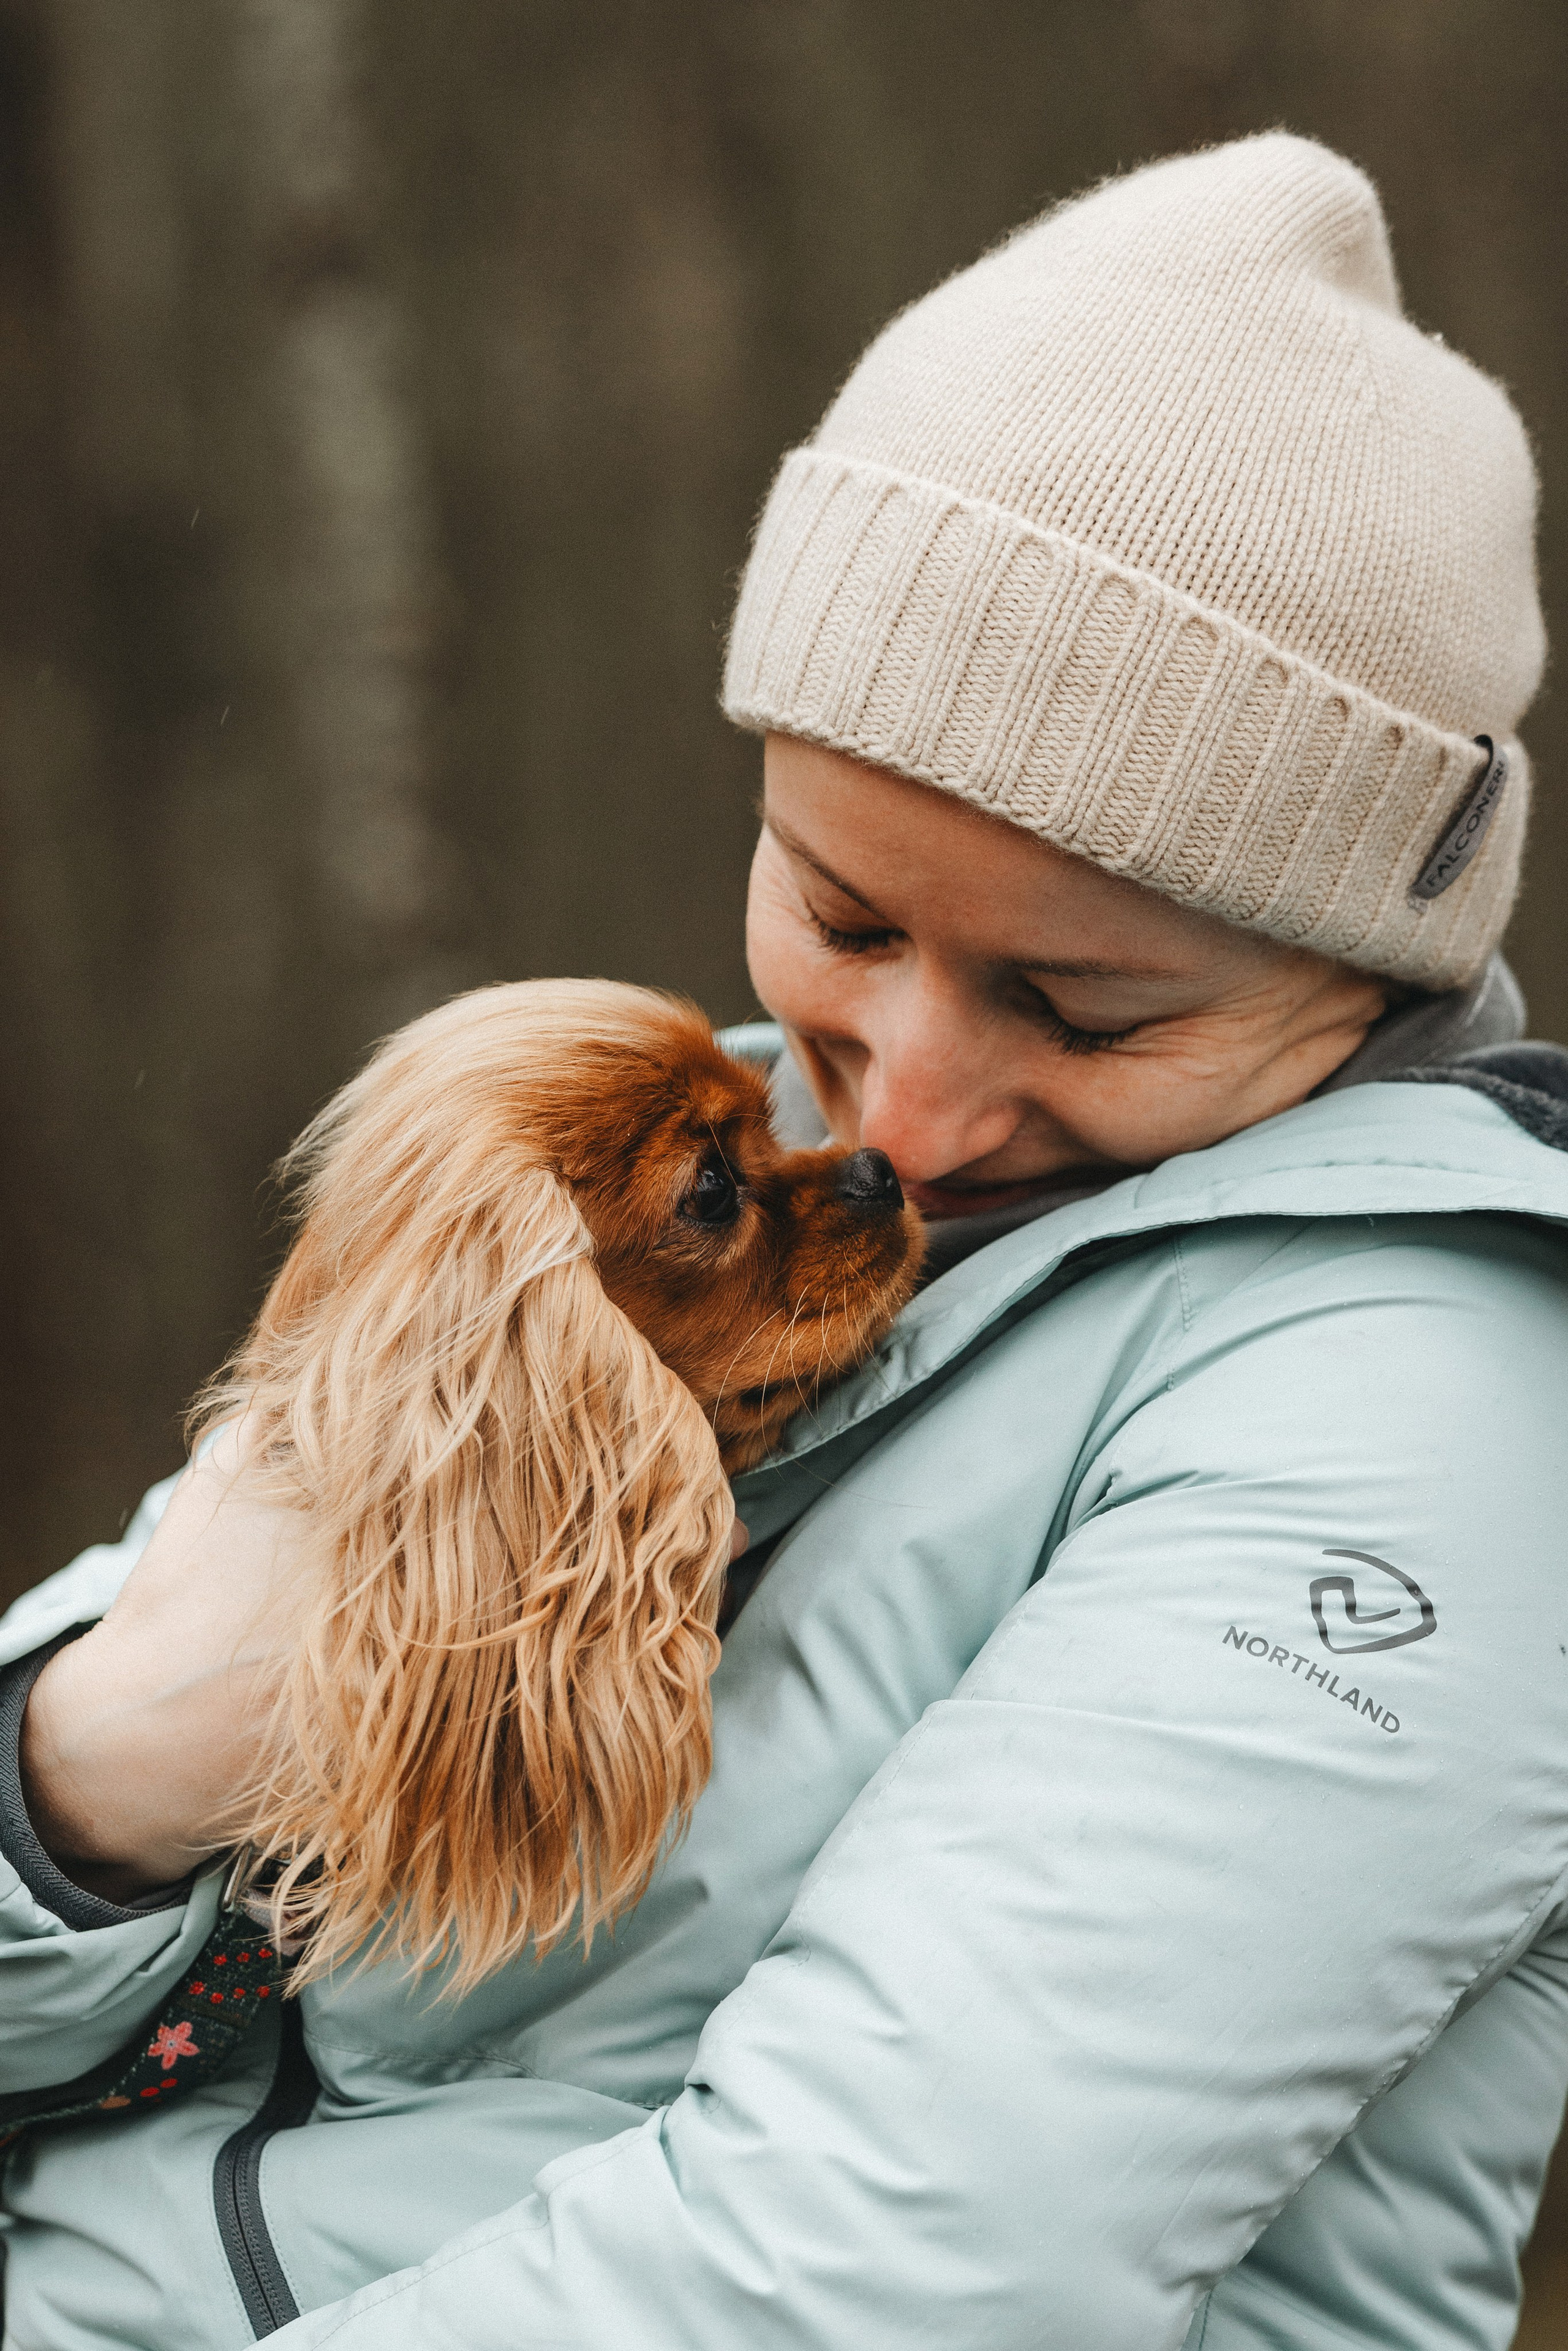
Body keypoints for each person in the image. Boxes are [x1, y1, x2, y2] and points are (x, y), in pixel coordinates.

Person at [4, 130, 1568, 2351]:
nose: (900, 1111)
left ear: (1362, 967)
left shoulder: (1427, 1410)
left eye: (1082, 1005)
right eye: (841, 915)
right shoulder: (644, 1174)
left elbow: (868, 2278)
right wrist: (84, 1780)